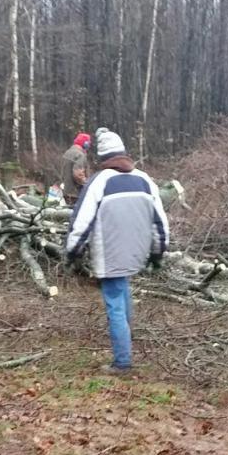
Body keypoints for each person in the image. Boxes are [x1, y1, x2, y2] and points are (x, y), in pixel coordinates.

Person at [64, 129, 170, 374]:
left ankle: (122, 362)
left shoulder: (99, 181)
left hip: (109, 252)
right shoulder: (144, 179)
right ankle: (126, 345)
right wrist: (158, 251)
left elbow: (82, 220)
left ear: (102, 157)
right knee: (122, 295)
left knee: (115, 303)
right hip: (135, 251)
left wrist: (73, 251)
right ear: (123, 152)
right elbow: (160, 221)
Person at [58, 132, 92, 206]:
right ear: (85, 144)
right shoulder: (79, 155)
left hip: (66, 191)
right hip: (76, 193)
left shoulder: (67, 153)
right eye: (88, 143)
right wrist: (87, 184)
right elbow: (78, 174)